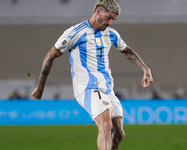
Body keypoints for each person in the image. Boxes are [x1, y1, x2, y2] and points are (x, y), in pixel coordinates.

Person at [31, 0, 153, 149]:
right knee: (106, 126)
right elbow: (50, 55)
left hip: (107, 88)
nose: (110, 23)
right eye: (109, 17)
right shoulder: (75, 32)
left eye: (113, 19)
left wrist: (145, 69)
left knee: (119, 133)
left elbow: (127, 51)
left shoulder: (111, 34)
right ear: (98, 11)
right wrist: (40, 86)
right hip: (87, 88)